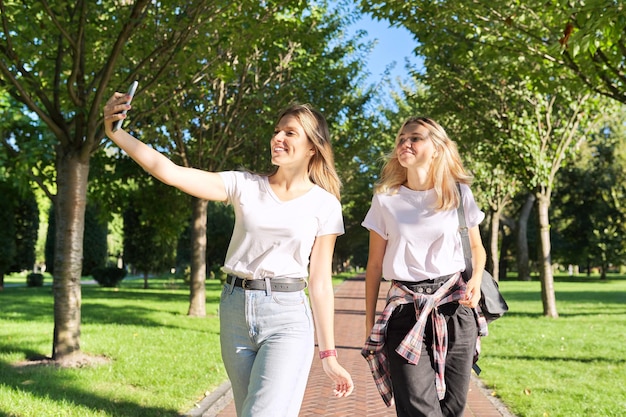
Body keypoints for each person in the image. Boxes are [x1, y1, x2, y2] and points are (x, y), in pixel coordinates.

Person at [103, 92, 354, 417]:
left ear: (312, 146)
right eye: (277, 130)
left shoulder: (324, 204)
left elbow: (320, 282)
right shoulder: (244, 185)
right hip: (235, 309)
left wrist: (329, 354)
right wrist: (116, 133)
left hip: (287, 316)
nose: (277, 137)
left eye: (289, 132)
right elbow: (170, 171)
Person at [361, 116, 487, 417]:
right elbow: (374, 265)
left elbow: (476, 248)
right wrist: (369, 322)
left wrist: (477, 281)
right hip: (405, 311)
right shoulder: (385, 199)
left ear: (436, 148)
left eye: (415, 138)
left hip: (455, 309)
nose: (405, 143)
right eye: (401, 138)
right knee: (419, 410)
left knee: (453, 408)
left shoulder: (458, 194)